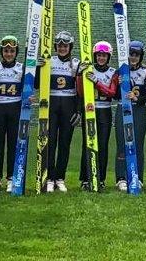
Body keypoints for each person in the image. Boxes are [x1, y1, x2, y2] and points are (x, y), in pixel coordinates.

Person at [40, 31, 82, 193]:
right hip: (51, 107)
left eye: (65, 45)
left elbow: (80, 91)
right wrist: (38, 68)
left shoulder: (76, 63)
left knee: (65, 143)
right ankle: (49, 178)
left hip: (68, 107)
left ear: (70, 47)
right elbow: (38, 84)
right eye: (59, 45)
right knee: (50, 143)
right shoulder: (49, 61)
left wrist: (78, 111)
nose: (62, 48)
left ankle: (60, 178)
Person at [78, 41, 116, 191]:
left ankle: (100, 178)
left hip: (105, 110)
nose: (101, 58)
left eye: (104, 56)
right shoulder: (89, 68)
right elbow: (81, 92)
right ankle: (85, 178)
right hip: (90, 110)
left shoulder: (113, 72)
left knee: (103, 145)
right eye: (99, 55)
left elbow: (112, 93)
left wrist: (97, 82)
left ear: (108, 57)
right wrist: (79, 75)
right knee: (87, 144)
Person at [0, 36, 24, 193]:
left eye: (12, 51)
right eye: (6, 51)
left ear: (16, 52)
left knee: (13, 145)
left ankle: (11, 178)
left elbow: (30, 86)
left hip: (15, 109)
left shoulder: (22, 68)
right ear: (1, 52)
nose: (9, 53)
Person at [114, 41, 146, 192]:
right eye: (131, 54)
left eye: (136, 55)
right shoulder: (120, 71)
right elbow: (115, 95)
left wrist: (137, 99)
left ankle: (137, 178)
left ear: (141, 56)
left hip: (139, 110)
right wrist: (118, 85)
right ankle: (121, 178)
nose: (133, 57)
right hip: (122, 108)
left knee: (138, 144)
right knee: (122, 143)